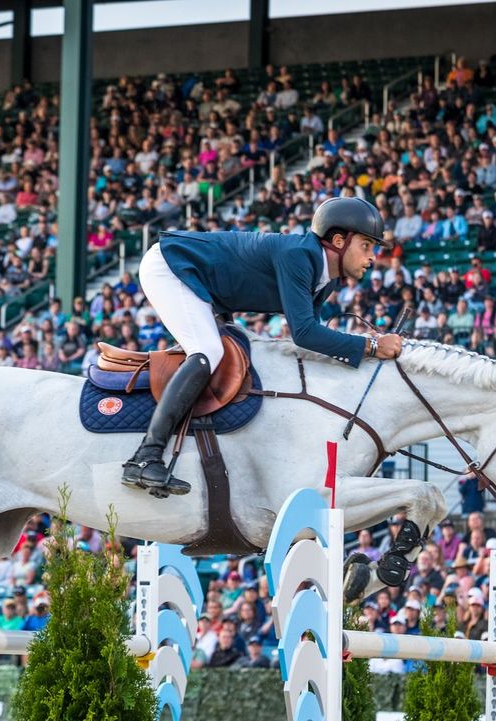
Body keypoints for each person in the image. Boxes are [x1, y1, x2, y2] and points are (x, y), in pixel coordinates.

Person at [121, 196, 401, 496]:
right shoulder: (299, 256)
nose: (372, 257)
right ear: (337, 240)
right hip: (173, 264)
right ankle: (145, 457)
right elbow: (304, 334)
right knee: (208, 352)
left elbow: (315, 341)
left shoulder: (326, 279)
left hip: (210, 288)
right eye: (366, 246)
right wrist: (371, 346)